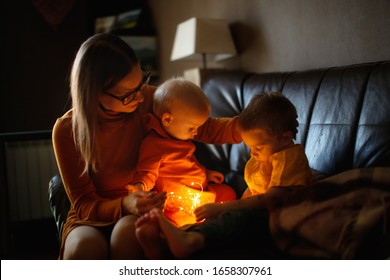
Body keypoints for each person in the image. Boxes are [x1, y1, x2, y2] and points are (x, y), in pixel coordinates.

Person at [52, 33, 242, 259]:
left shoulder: (148, 98)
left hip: (140, 210)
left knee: (128, 234)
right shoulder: (66, 130)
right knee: (84, 248)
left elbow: (202, 126)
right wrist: (124, 204)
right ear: (93, 93)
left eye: (141, 83)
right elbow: (84, 204)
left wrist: (247, 125)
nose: (140, 98)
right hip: (91, 217)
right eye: (128, 94)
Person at [134, 92, 313, 259]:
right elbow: (253, 192)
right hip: (259, 213)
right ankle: (171, 241)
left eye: (258, 148)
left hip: (276, 218)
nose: (252, 154)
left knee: (234, 220)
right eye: (250, 148)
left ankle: (188, 241)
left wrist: (225, 208)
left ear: (285, 137)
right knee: (225, 220)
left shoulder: (287, 157)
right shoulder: (265, 157)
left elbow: (269, 200)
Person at [128, 78, 236, 227]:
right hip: (178, 203)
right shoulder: (155, 145)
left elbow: (190, 165)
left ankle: (212, 224)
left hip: (200, 192)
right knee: (184, 220)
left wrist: (206, 173)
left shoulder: (180, 137)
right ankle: (190, 232)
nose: (196, 132)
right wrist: (139, 187)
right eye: (192, 128)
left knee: (228, 193)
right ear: (167, 119)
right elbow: (147, 173)